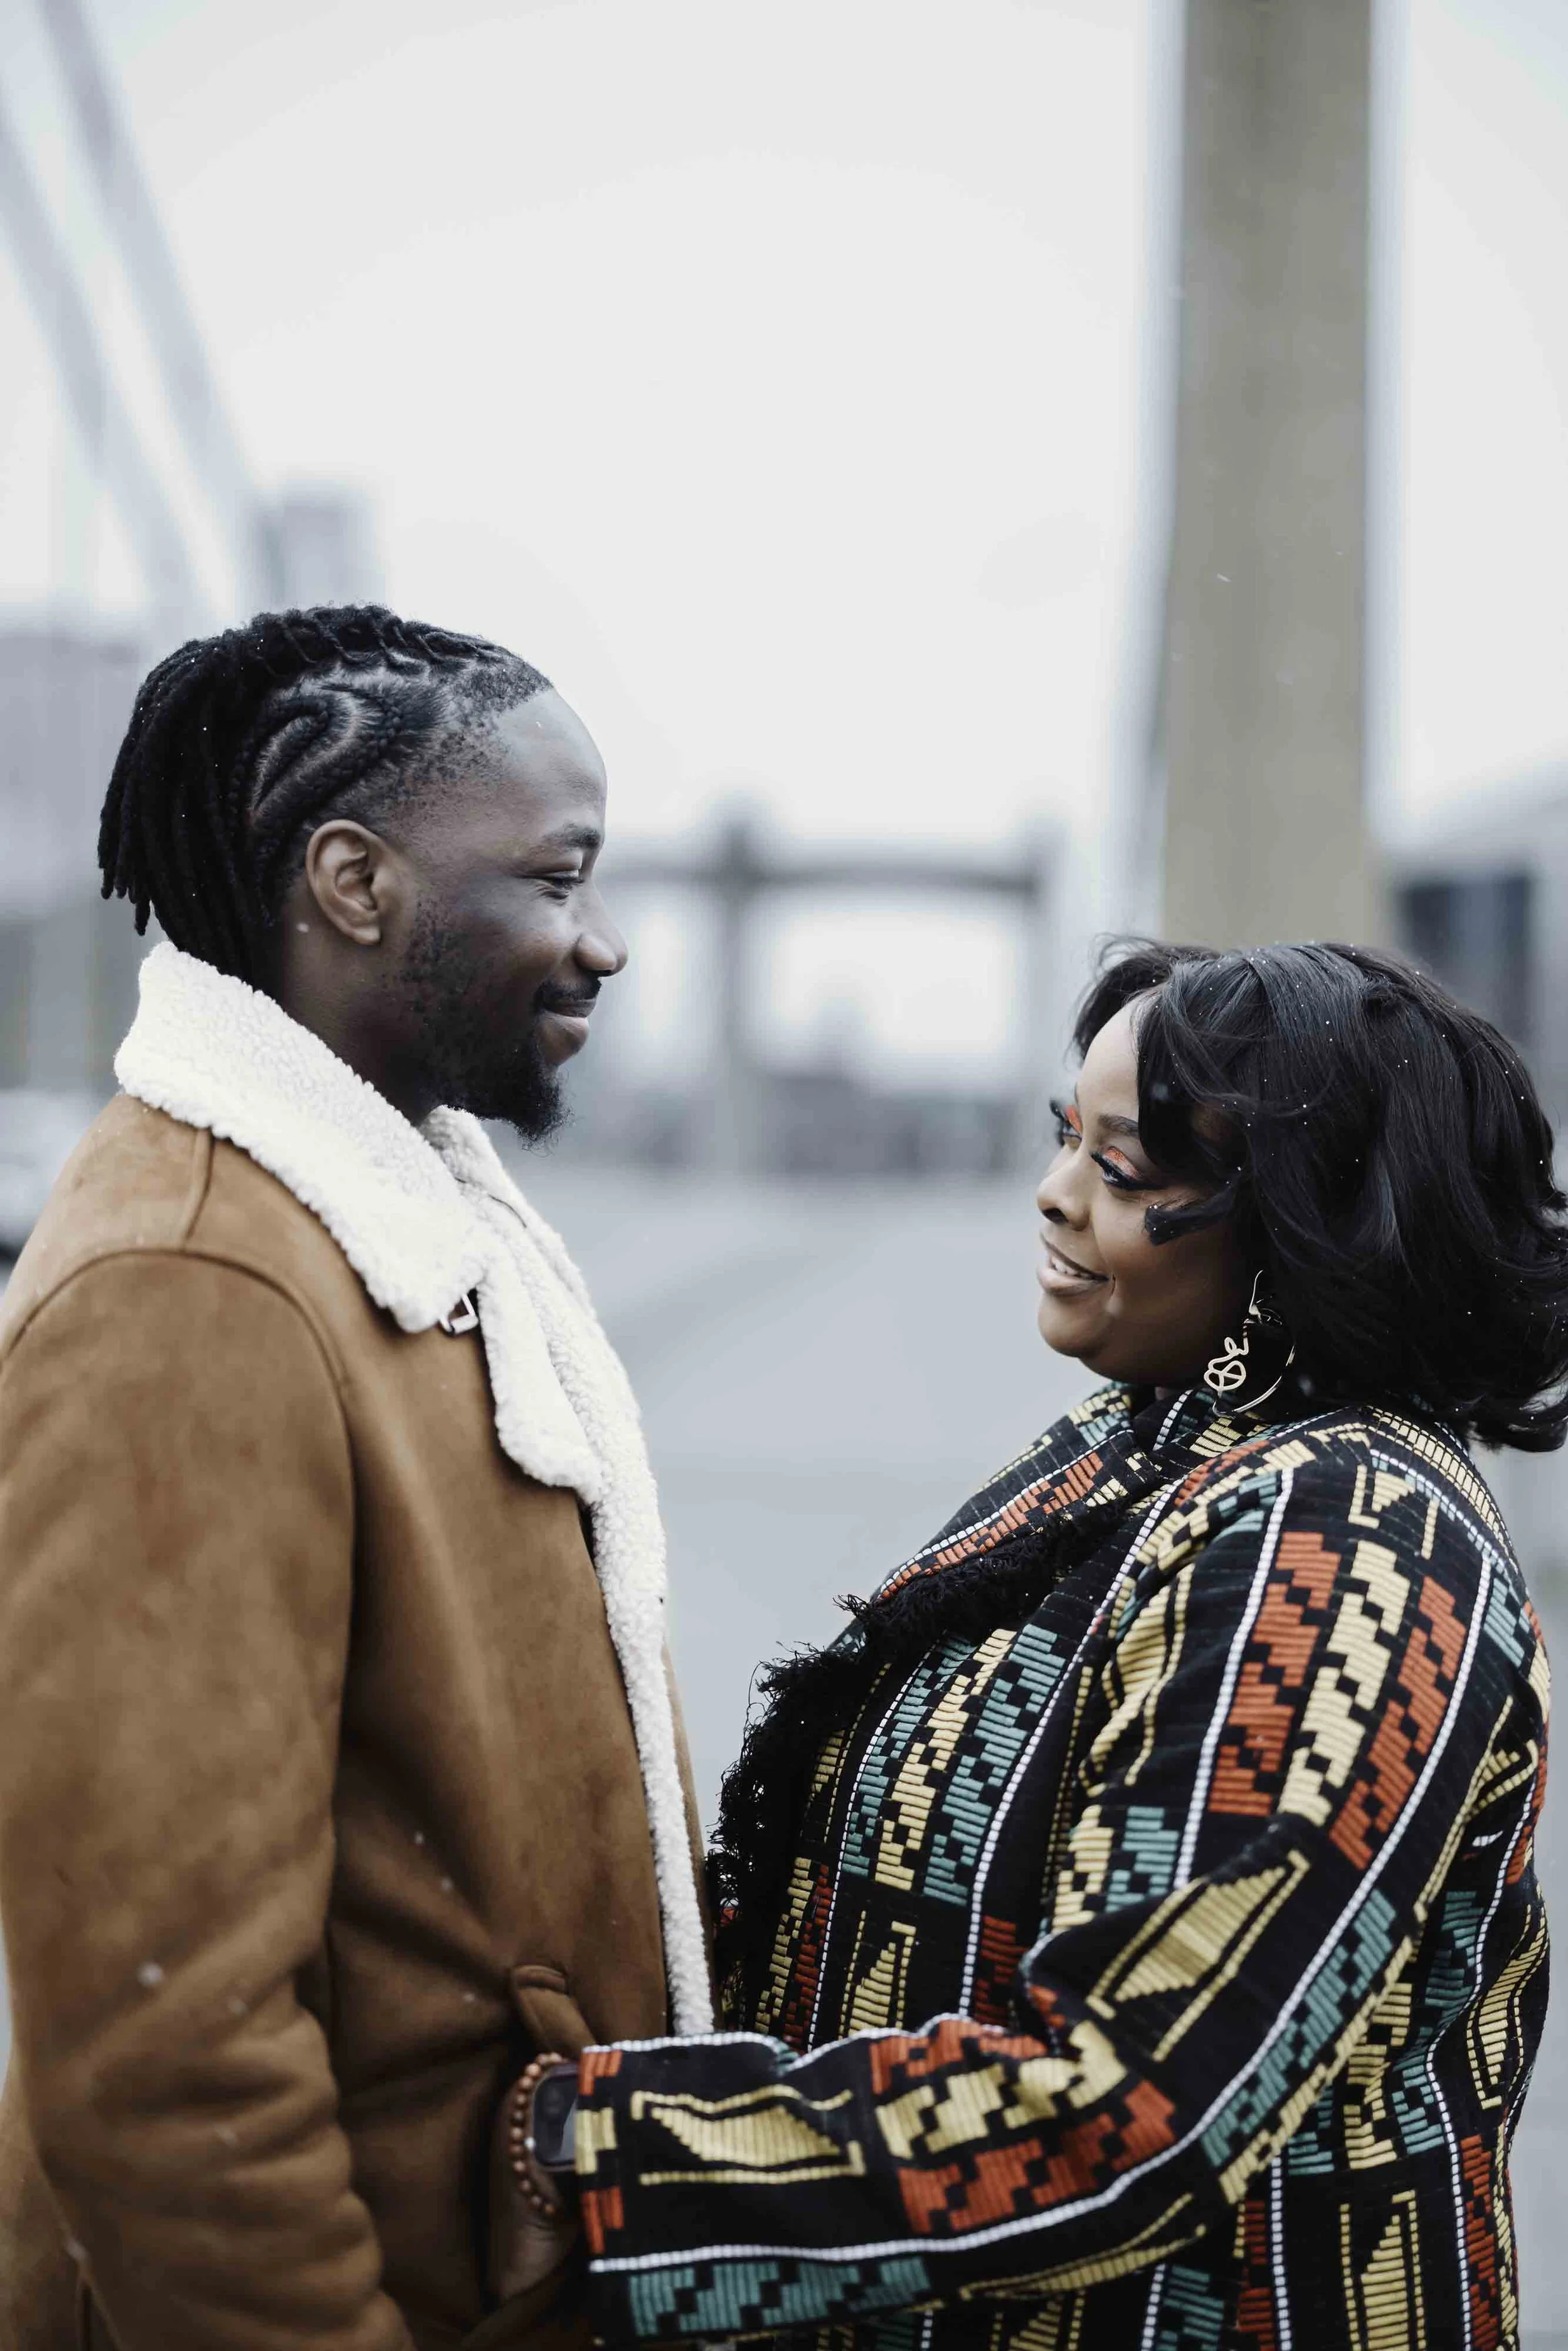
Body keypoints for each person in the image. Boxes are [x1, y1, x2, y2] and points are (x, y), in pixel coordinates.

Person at [512, 939, 1559, 2351]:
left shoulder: (1351, 1534)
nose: (1056, 1192)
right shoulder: (1154, 1445)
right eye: (1066, 1136)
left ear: (1298, 1227)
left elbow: (1127, 2109)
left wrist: (600, 2159)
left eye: (1124, 1168)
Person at [0, 606, 713, 2351]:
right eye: (556, 877)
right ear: (354, 882)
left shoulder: (402, 1228)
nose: (603, 942)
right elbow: (165, 2053)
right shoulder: (192, 1287)